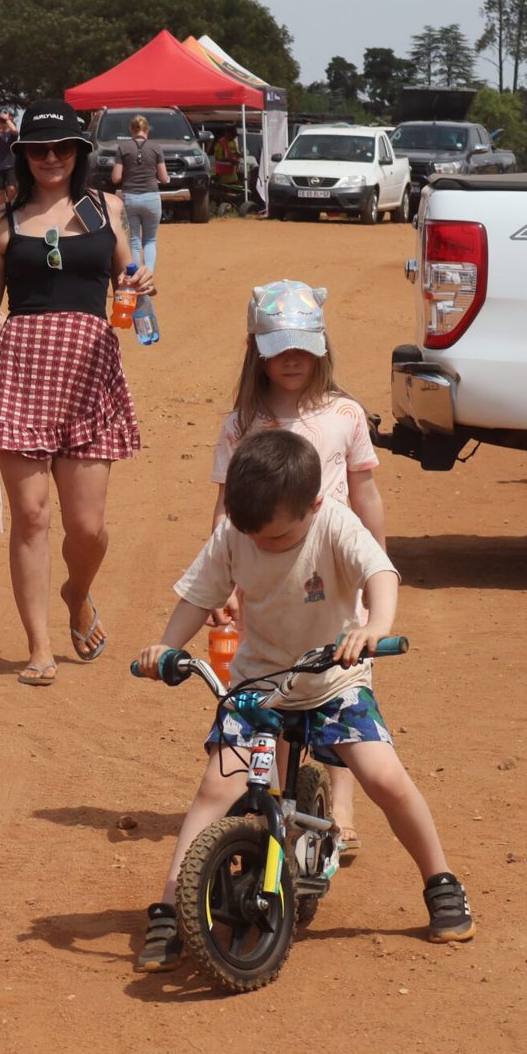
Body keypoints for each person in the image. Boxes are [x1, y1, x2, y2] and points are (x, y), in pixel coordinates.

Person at [135, 428, 474, 970]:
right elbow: (199, 596)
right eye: (253, 535)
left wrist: (375, 627)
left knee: (383, 777)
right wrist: (167, 647)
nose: (262, 544)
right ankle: (172, 908)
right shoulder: (236, 533)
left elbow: (380, 573)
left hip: (333, 680)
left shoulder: (334, 522)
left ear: (313, 505)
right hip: (260, 684)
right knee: (216, 786)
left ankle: (441, 880)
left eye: (275, 537)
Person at [0, 98, 148, 687]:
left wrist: (138, 280)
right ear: (23, 156)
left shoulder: (107, 208)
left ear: (78, 152)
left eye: (62, 148)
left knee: (87, 527)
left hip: (89, 367)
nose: (51, 158)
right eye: (39, 150)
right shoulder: (3, 220)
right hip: (22, 367)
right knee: (30, 517)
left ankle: (77, 591)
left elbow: (127, 277)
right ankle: (39, 647)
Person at [206, 281, 386, 853]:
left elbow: (366, 492)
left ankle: (342, 805)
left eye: (303, 347)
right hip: (266, 577)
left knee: (337, 686)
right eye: (278, 348)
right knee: (276, 689)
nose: (291, 359)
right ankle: (280, 803)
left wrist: (376, 563)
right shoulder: (241, 423)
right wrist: (223, 582)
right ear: (256, 349)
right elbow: (227, 508)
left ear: (321, 346)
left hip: (334, 572)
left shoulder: (344, 414)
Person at [111, 113, 170, 274]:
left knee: (134, 241)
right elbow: (163, 178)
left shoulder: (122, 148)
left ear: (131, 130)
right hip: (151, 198)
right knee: (150, 240)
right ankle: (148, 275)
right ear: (146, 130)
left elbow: (116, 178)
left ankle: (137, 277)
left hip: (130, 198)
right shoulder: (156, 147)